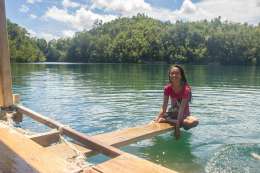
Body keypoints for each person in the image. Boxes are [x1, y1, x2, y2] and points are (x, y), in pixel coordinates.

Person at [155, 64, 199, 139]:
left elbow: (181, 110)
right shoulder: (167, 88)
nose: (174, 75)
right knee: (157, 120)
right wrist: (157, 118)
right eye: (172, 73)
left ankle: (169, 120)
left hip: (184, 115)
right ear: (169, 75)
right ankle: (170, 120)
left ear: (181, 75)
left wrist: (177, 124)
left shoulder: (186, 89)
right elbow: (164, 107)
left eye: (177, 73)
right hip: (173, 114)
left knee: (195, 121)